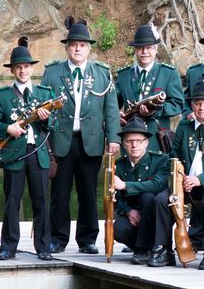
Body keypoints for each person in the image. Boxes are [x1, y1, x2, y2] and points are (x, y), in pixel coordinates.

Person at [41, 18, 120, 254]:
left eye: (82, 45)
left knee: (88, 192)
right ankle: (58, 237)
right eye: (74, 45)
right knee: (60, 192)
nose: (78, 49)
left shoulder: (102, 73)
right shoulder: (53, 72)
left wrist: (114, 137)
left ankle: (87, 239)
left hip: (92, 141)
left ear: (89, 48)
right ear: (67, 47)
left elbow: (111, 109)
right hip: (61, 140)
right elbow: (41, 104)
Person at [0, 37, 54, 261]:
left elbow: (55, 126)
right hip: (14, 156)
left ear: (32, 68)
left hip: (38, 154)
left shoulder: (44, 93)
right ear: (12, 70)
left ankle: (43, 248)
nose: (23, 71)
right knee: (12, 202)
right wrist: (8, 128)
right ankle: (9, 248)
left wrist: (45, 119)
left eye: (26, 67)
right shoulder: (2, 96)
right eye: (18, 67)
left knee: (41, 202)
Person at [151, 75, 204, 269]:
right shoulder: (184, 128)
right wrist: (180, 178)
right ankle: (164, 250)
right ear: (192, 106)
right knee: (161, 200)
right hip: (183, 182)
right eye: (197, 103)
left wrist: (200, 179)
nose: (201, 108)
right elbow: (174, 157)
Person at [115, 24, 184, 153]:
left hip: (156, 139)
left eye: (149, 48)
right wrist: (116, 115)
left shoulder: (168, 73)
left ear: (156, 49)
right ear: (135, 50)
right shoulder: (124, 75)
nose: (144, 51)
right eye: (140, 48)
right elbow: (113, 104)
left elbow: (178, 104)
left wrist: (155, 110)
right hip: (131, 139)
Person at [112, 117, 170, 265]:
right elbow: (116, 197)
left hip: (157, 214)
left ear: (146, 142)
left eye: (138, 141)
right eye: (129, 141)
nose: (134, 145)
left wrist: (125, 185)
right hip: (134, 213)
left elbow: (158, 185)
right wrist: (128, 211)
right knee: (118, 229)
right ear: (124, 145)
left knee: (148, 196)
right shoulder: (119, 166)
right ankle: (151, 248)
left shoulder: (161, 160)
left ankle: (143, 249)